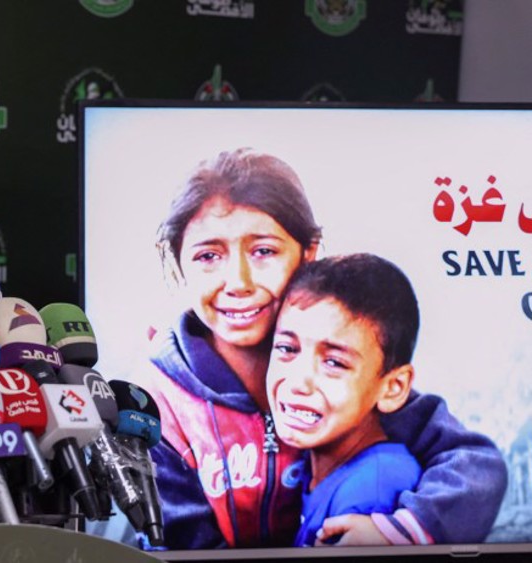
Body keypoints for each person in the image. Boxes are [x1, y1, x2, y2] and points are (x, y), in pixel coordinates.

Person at [136, 148, 507, 549]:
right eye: (208, 256)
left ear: (308, 253)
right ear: (177, 265)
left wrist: (401, 531)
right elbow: (181, 544)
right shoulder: (159, 407)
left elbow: (474, 465)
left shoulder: (346, 370)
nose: (238, 281)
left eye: (263, 251)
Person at [266, 254, 426, 547]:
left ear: (392, 387)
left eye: (335, 363)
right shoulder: (318, 462)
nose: (298, 382)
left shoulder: (370, 497)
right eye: (287, 348)